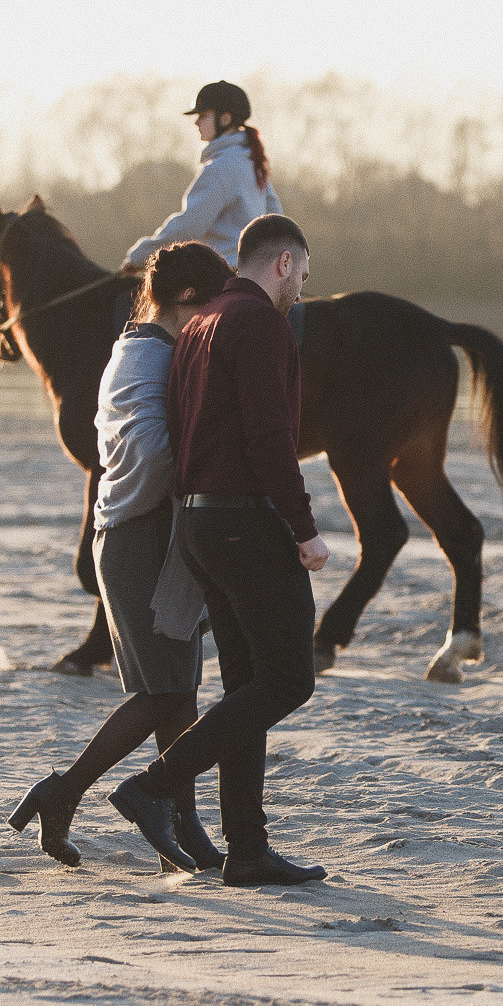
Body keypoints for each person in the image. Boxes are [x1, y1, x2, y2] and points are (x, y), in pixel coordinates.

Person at [109, 213, 332, 887]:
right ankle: (153, 785)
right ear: (285, 263)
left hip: (201, 526)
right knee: (290, 677)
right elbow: (271, 438)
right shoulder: (258, 322)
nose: (300, 291)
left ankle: (247, 848)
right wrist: (303, 526)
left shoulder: (201, 324)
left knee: (247, 686)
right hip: (245, 522)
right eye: (303, 274)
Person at [8, 242, 236, 870]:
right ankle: (68, 792)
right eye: (212, 308)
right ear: (187, 300)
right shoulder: (143, 357)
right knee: (160, 692)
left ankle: (182, 824)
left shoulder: (151, 350)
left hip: (158, 540)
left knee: (180, 689)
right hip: (137, 540)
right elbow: (148, 460)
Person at [123, 81, 281, 270]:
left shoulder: (221, 167)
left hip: (223, 274)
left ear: (224, 119)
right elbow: (276, 216)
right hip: (253, 272)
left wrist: (139, 257)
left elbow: (188, 227)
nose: (197, 122)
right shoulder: (250, 163)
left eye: (204, 116)